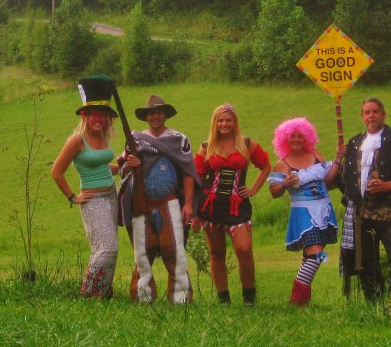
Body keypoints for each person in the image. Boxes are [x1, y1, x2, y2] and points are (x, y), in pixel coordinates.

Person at [337, 97, 391, 301]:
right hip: (362, 214)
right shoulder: (355, 142)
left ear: (383, 114)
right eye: (367, 112)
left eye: (375, 111)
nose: (371, 116)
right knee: (367, 261)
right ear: (362, 116)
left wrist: (389, 185)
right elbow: (346, 178)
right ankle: (375, 302)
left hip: (388, 211)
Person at [119, 94, 200, 304]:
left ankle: (181, 299)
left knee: (174, 251)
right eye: (151, 113)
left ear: (165, 114)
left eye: (158, 112)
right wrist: (130, 164)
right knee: (143, 254)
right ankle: (143, 297)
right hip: (142, 204)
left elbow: (188, 173)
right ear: (146, 117)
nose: (155, 116)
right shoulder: (135, 141)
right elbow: (122, 167)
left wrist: (189, 204)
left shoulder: (179, 139)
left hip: (169, 202)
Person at [194, 103, 271, 306]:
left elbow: (266, 165)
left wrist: (253, 189)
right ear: (215, 123)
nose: (224, 124)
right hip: (211, 206)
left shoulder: (246, 144)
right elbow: (197, 179)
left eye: (228, 120)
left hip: (238, 205)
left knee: (244, 249)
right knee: (216, 253)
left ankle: (249, 298)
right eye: (220, 120)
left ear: (234, 122)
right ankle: (223, 299)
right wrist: (194, 211)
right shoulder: (205, 147)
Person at [51, 76, 120, 298]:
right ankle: (89, 294)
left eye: (103, 115)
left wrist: (122, 165)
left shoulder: (102, 135)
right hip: (93, 200)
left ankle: (103, 294)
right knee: (108, 248)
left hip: (111, 196)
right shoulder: (76, 140)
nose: (99, 119)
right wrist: (72, 197)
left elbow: (102, 166)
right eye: (94, 115)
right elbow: (56, 171)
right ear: (85, 115)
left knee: (105, 248)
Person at [268, 117, 342, 306]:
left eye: (300, 135)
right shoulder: (282, 164)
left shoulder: (316, 154)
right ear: (284, 139)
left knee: (314, 253)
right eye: (292, 136)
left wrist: (338, 159)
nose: (296, 139)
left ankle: (303, 301)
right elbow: (274, 193)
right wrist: (284, 183)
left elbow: (328, 180)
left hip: (325, 210)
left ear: (307, 137)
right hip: (303, 214)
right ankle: (297, 299)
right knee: (317, 255)